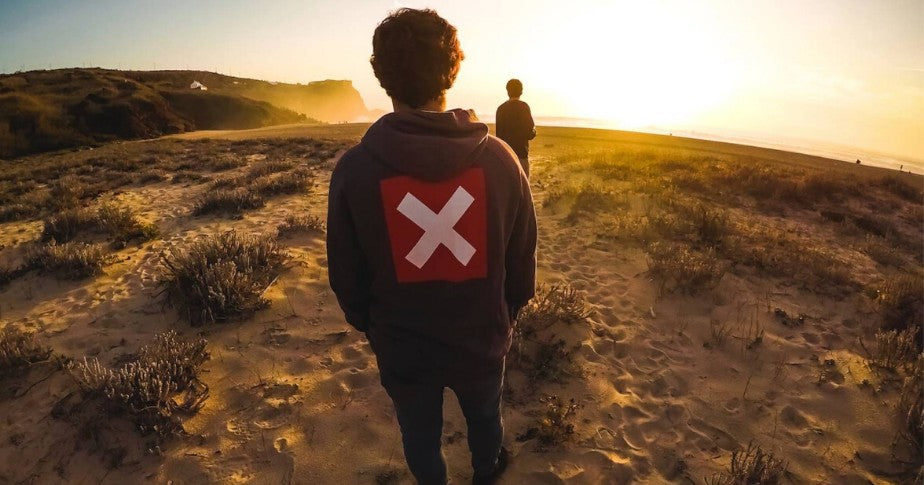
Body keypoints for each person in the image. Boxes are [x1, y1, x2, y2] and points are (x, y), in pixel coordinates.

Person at [326, 8, 537, 485]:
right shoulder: (503, 162)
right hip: (481, 339)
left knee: (419, 434)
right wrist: (504, 316)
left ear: (381, 75)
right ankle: (486, 474)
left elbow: (346, 276)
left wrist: (373, 326)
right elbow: (523, 265)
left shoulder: (356, 170)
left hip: (403, 347)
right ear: (454, 67)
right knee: (486, 419)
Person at [495, 79, 537, 177]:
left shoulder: (501, 109)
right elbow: (529, 133)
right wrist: (534, 131)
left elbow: (498, 135)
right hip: (521, 154)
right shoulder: (524, 107)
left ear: (507, 91)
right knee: (523, 188)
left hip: (505, 156)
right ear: (521, 91)